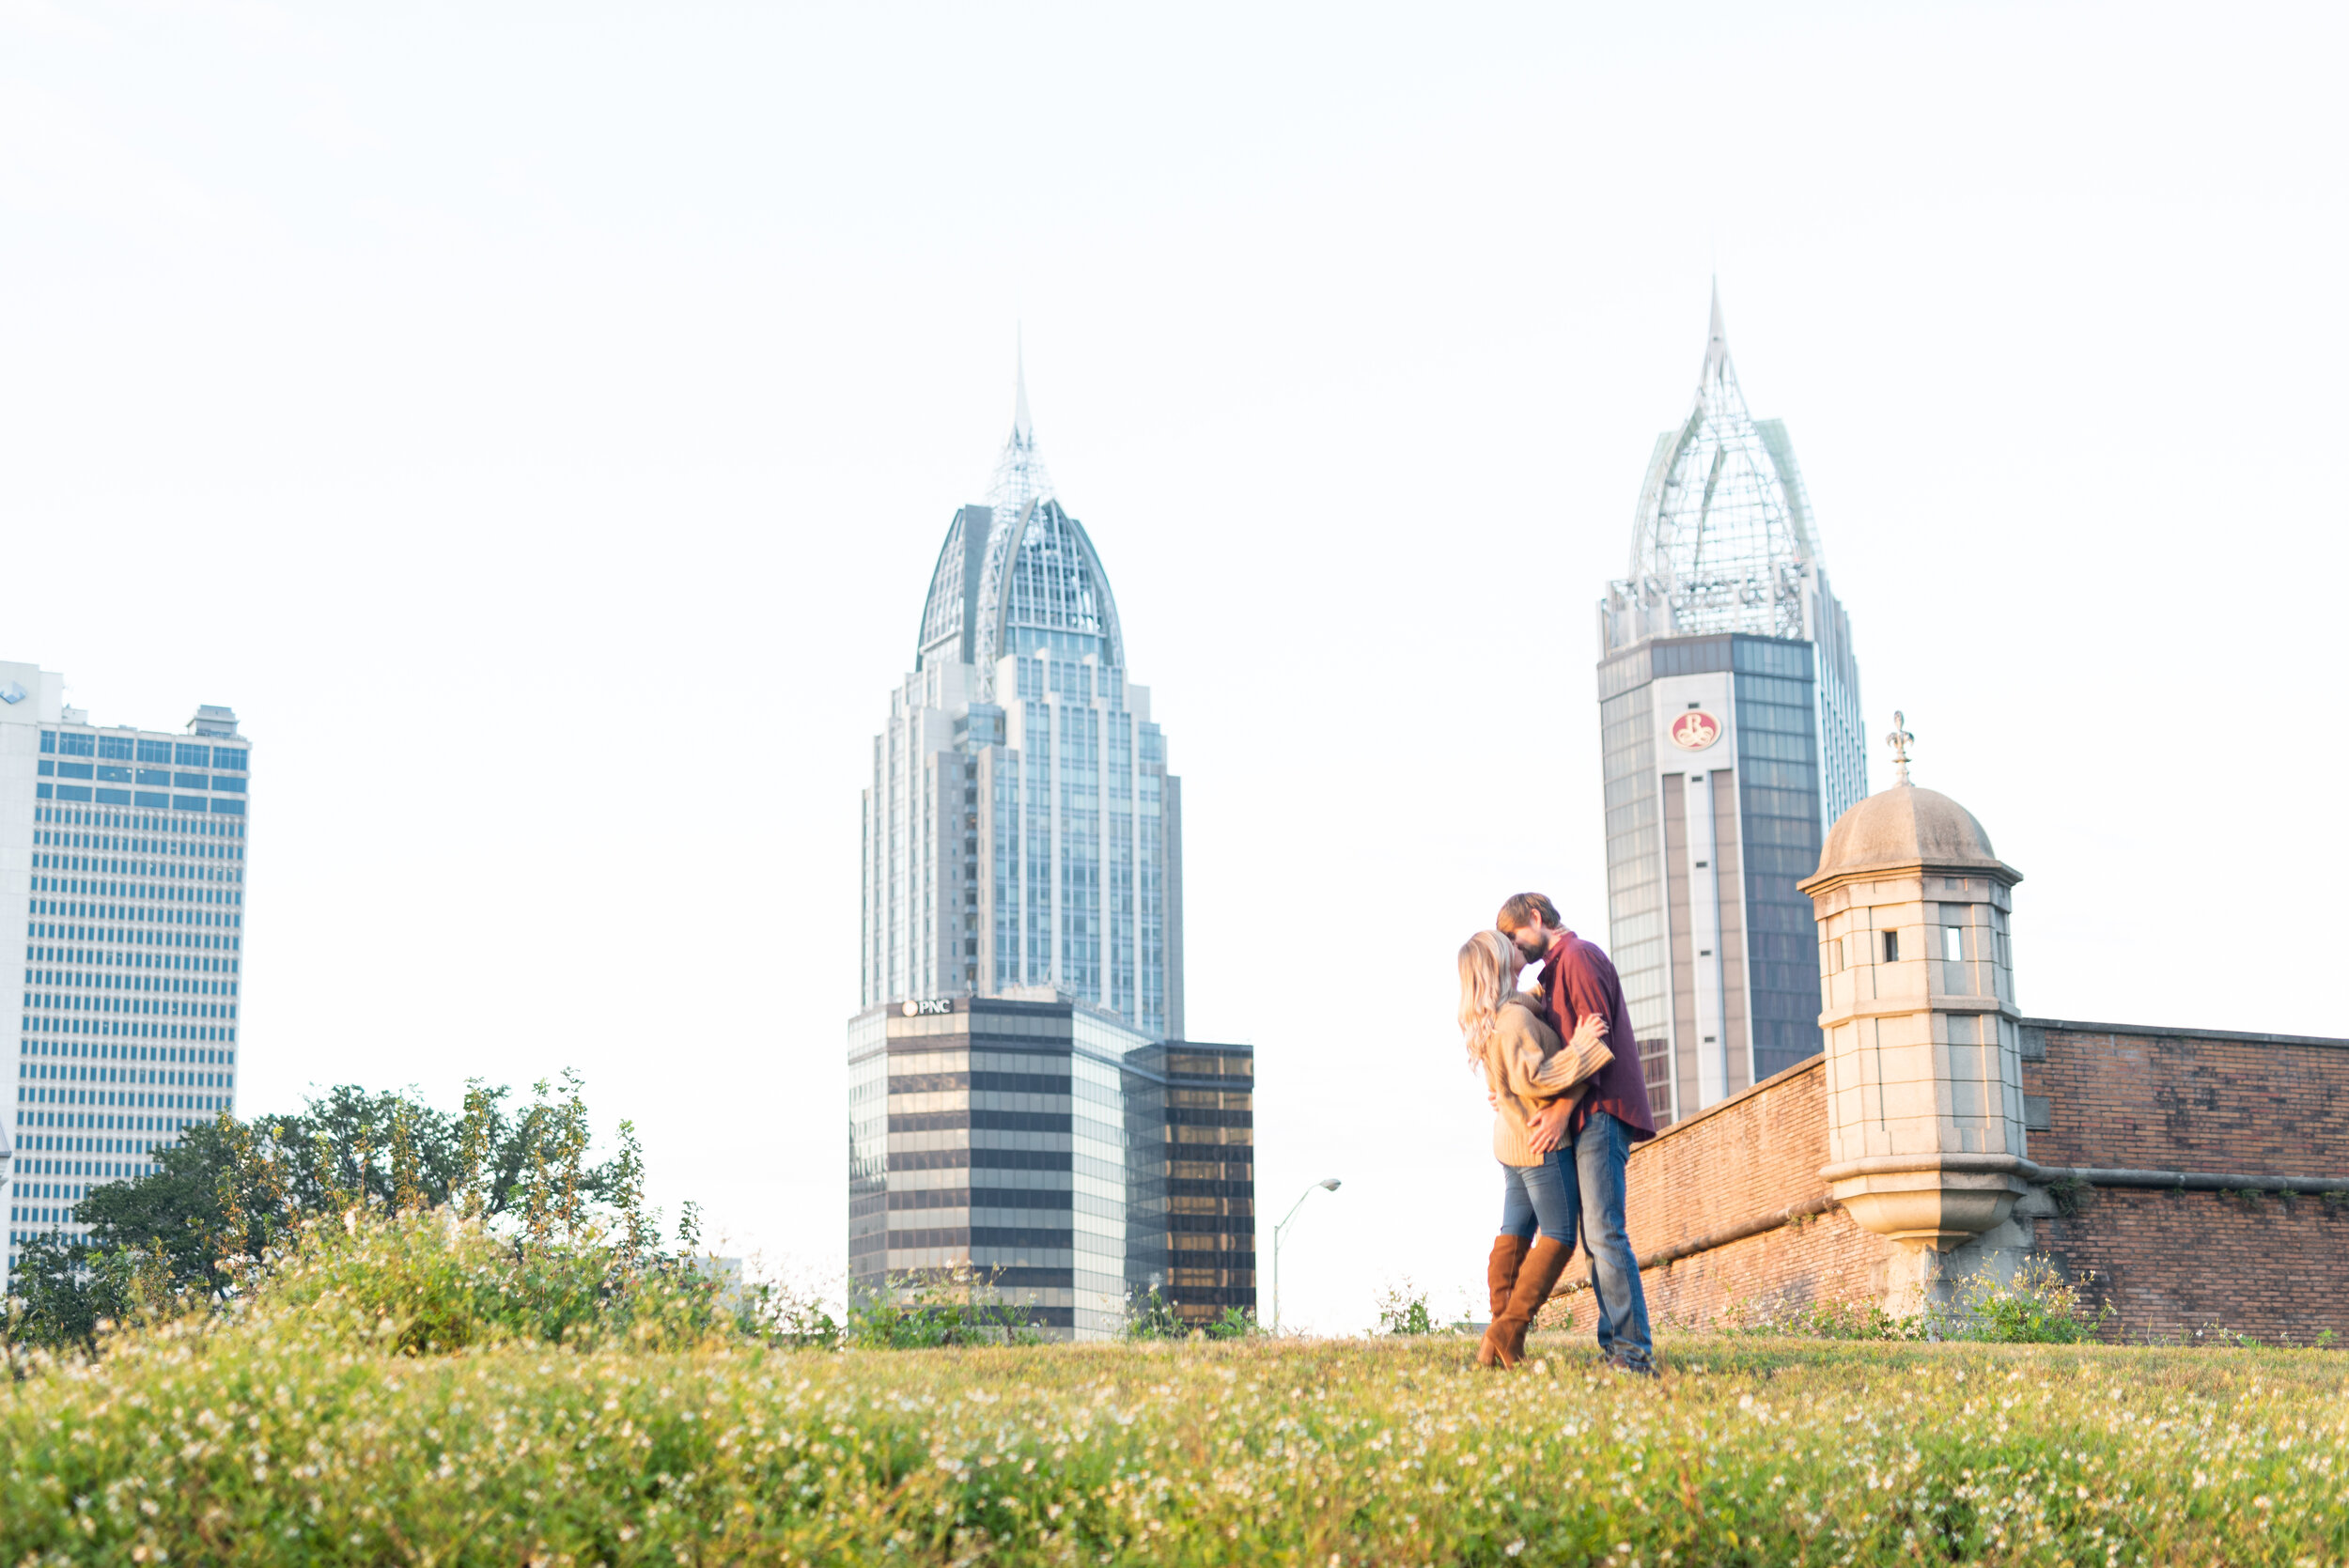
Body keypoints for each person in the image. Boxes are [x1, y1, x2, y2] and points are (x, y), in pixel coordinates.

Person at [1497, 892, 1659, 1374]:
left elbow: (1596, 1045)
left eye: (1513, 935)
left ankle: (1634, 1355)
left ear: (1535, 917)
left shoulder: (1579, 957)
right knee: (1594, 1238)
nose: (1513, 948)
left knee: (1605, 1234)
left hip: (1601, 1112)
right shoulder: (1554, 973)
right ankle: (1616, 1347)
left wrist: (1564, 1110)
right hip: (1589, 1114)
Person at [1456, 929, 1612, 1370]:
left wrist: (1547, 987)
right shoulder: (1513, 1024)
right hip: (1539, 1141)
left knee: (1514, 1233)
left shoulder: (1502, 1014)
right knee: (1559, 1237)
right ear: (1497, 965)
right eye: (1504, 945)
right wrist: (1583, 1047)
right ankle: (1507, 1330)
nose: (1513, 944)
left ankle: (1496, 1345)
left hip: (1510, 1141)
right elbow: (1538, 1078)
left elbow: (1524, 1009)